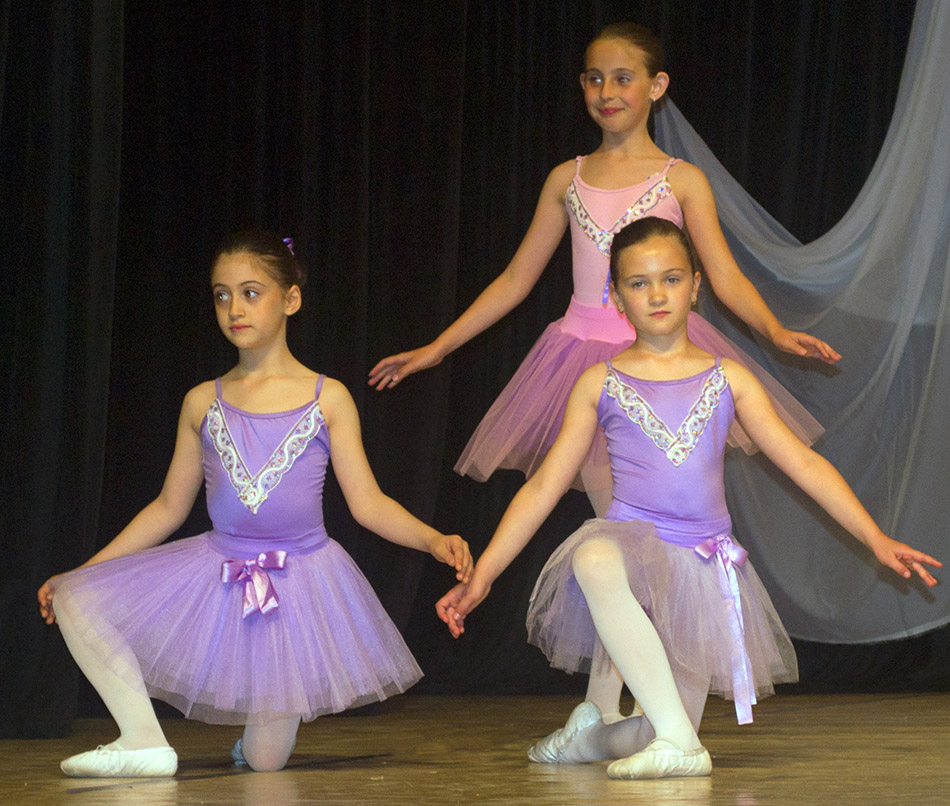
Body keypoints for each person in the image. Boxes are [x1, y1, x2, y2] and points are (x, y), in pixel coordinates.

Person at [370, 22, 838, 720]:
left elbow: (722, 275)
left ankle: (609, 712)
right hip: (586, 365)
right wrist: (437, 348)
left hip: (667, 368)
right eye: (594, 77)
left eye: (623, 77)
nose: (606, 90)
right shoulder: (568, 179)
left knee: (644, 552)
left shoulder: (682, 180)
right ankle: (607, 711)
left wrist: (773, 331)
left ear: (656, 86)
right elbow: (516, 279)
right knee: (622, 543)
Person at [435, 217, 939, 780]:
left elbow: (804, 464)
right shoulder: (599, 383)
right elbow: (542, 487)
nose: (657, 294)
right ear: (616, 296)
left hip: (700, 567)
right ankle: (676, 742)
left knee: (656, 726)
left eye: (671, 279)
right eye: (639, 283)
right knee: (593, 556)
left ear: (695, 286)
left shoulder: (729, 379)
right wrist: (484, 575)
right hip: (630, 549)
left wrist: (875, 538)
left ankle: (590, 740)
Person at [37, 230, 472, 778]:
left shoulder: (327, 397)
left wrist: (433, 539)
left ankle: (254, 741)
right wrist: (84, 573)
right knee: (76, 598)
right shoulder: (202, 401)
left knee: (266, 765)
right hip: (218, 567)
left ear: (290, 299)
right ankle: (143, 740)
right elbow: (168, 508)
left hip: (297, 583)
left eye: (250, 293)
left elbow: (367, 503)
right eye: (222, 295)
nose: (234, 309)